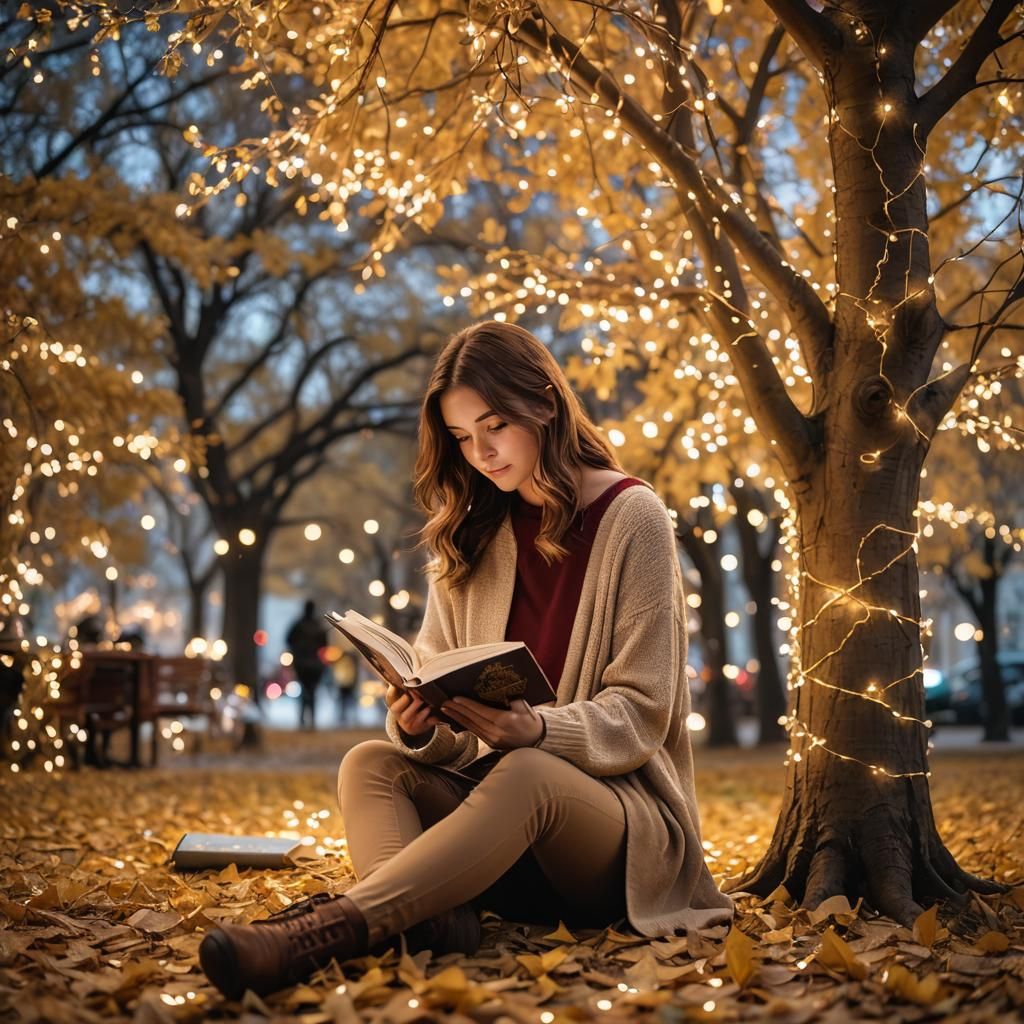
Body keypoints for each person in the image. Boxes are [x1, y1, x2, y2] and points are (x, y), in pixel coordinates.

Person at [199, 320, 734, 1000]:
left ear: (544, 403)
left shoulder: (634, 517)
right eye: (460, 437)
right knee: (370, 763)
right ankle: (431, 921)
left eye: (494, 426)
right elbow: (445, 700)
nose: (480, 453)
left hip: (612, 838)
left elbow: (644, 711)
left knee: (528, 770)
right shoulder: (470, 533)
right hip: (494, 832)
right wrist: (421, 723)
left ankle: (325, 931)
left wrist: (537, 730)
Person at [285, 600, 327, 730]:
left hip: (301, 664)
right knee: (312, 692)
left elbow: (288, 640)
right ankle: (311, 720)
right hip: (314, 665)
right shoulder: (318, 626)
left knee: (304, 692)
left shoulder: (298, 625)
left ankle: (303, 720)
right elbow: (325, 644)